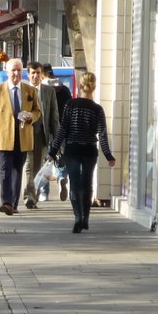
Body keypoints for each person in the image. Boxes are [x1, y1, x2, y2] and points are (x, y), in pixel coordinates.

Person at [48, 71, 116, 233]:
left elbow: (62, 130)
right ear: (94, 87)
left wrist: (53, 151)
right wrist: (108, 155)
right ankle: (85, 217)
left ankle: (77, 216)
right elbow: (103, 134)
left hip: (72, 149)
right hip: (89, 150)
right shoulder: (97, 109)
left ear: (79, 86)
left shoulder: (70, 105)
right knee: (87, 183)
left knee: (75, 183)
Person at [0, 58, 41, 216]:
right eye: (13, 70)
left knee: (17, 170)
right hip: (2, 138)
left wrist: (31, 115)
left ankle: (14, 203)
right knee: (5, 169)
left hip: (22, 137)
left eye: (19, 70)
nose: (16, 73)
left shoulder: (30, 90)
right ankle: (6, 202)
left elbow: (38, 111)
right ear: (7, 72)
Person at [22, 61, 60, 208]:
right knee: (28, 166)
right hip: (26, 134)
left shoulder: (49, 92)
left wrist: (58, 141)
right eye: (33, 73)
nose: (35, 76)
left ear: (41, 74)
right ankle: (29, 197)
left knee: (38, 168)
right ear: (29, 74)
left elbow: (54, 118)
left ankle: (34, 196)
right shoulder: (23, 91)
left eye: (38, 73)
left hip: (41, 135)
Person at [43, 64, 71, 200]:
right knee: (60, 155)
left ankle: (44, 191)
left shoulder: (43, 90)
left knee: (45, 158)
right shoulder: (64, 90)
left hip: (45, 129)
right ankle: (61, 177)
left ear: (42, 74)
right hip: (62, 128)